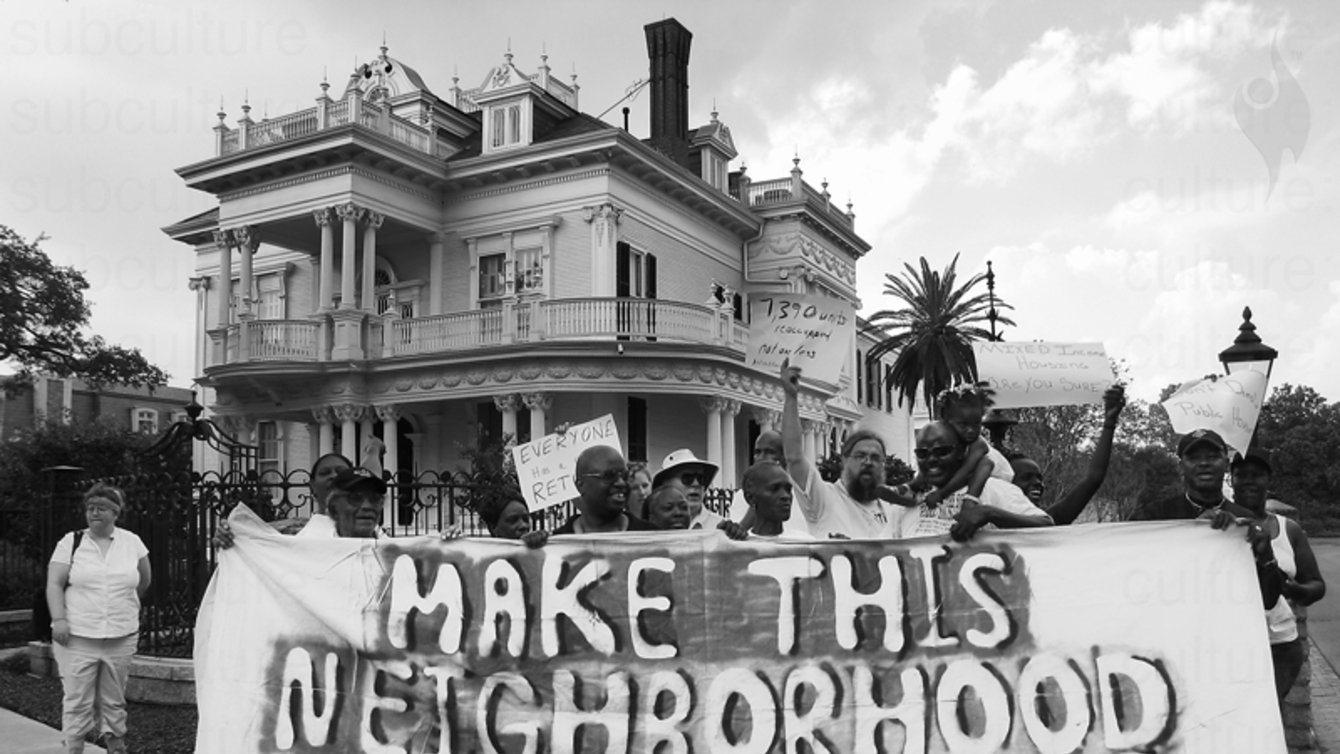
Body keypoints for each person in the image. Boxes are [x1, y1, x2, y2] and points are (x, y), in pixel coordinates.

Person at [1206, 450, 1326, 700]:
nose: (1249, 480)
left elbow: (1316, 585)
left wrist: (1293, 590)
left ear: (1268, 480)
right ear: (1231, 480)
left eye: (1257, 475)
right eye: (1241, 475)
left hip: (1279, 645)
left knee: (1268, 715)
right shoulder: (1216, 526)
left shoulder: (1287, 529)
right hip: (1228, 645)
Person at [45, 484, 151, 754]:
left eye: (101, 508)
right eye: (90, 508)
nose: (94, 513)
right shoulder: (71, 542)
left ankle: (116, 746)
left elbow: (144, 580)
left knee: (114, 699)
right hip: (78, 637)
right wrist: (59, 619)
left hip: (121, 635)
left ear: (116, 513)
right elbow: (55, 584)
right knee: (77, 699)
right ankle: (74, 747)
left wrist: (123, 604)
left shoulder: (132, 542)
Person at [779, 360, 902, 539]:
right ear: (844, 459)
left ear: (884, 465)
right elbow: (794, 457)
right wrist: (791, 398)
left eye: (876, 458)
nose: (868, 462)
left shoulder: (892, 509)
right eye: (860, 455)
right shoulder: (824, 499)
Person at [900, 421, 1053, 540]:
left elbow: (1046, 525)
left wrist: (989, 513)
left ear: (960, 452)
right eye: (922, 453)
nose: (931, 459)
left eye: (941, 451)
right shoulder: (907, 499)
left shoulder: (993, 488)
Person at [1009, 384, 1126, 524]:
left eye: (1039, 479)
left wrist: (1109, 423)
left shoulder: (1048, 520)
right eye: (1026, 478)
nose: (1037, 483)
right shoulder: (987, 522)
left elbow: (1093, 478)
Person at [554, 446, 659, 534]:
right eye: (609, 476)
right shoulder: (553, 547)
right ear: (581, 485)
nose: (621, 483)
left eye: (625, 476)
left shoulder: (652, 537)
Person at [652, 449, 723, 529]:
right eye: (687, 478)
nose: (696, 484)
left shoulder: (721, 527)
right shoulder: (651, 528)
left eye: (701, 479)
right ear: (666, 485)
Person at [740, 462, 811, 539]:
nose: (786, 496)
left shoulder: (805, 543)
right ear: (750, 498)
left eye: (788, 489)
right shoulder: (738, 545)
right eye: (774, 489)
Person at [478, 488, 550, 548]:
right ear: (493, 528)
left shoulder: (537, 551)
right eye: (513, 521)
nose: (523, 526)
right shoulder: (485, 561)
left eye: (526, 519)